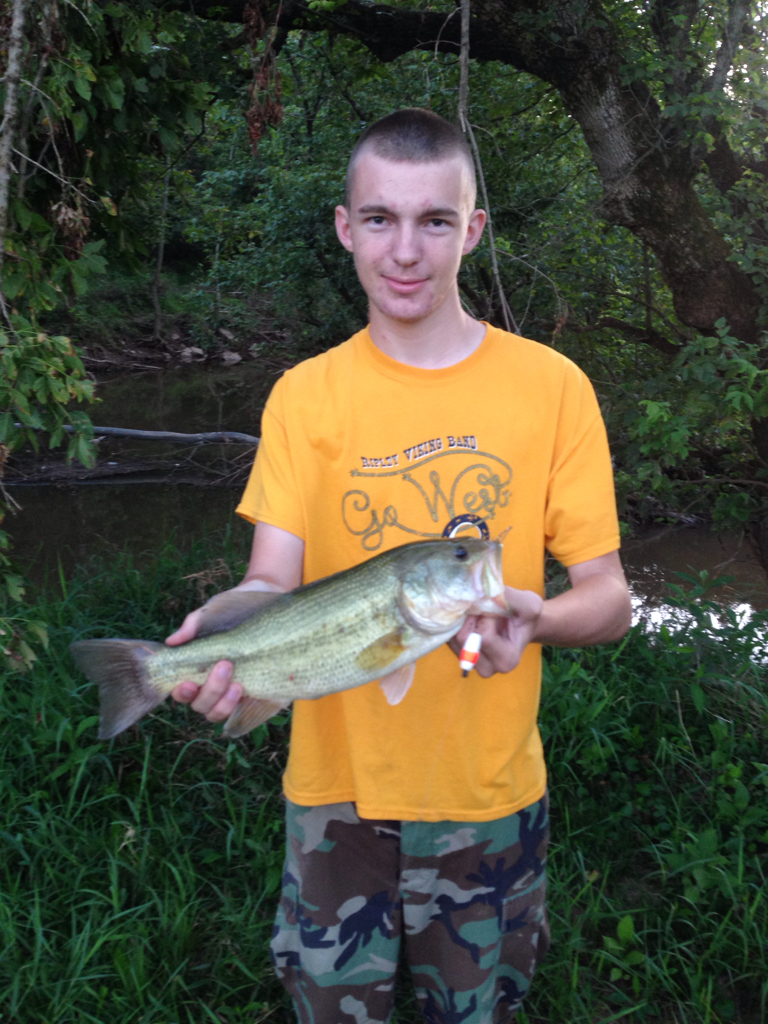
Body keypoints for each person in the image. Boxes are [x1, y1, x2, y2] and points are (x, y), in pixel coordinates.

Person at [167, 108, 632, 1023]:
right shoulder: (304, 396)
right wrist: (222, 635)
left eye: (435, 220)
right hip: (333, 798)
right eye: (380, 219)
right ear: (346, 228)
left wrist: (537, 619)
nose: (406, 251)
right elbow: (271, 583)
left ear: (474, 229)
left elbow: (610, 601)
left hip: (487, 796)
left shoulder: (553, 388)